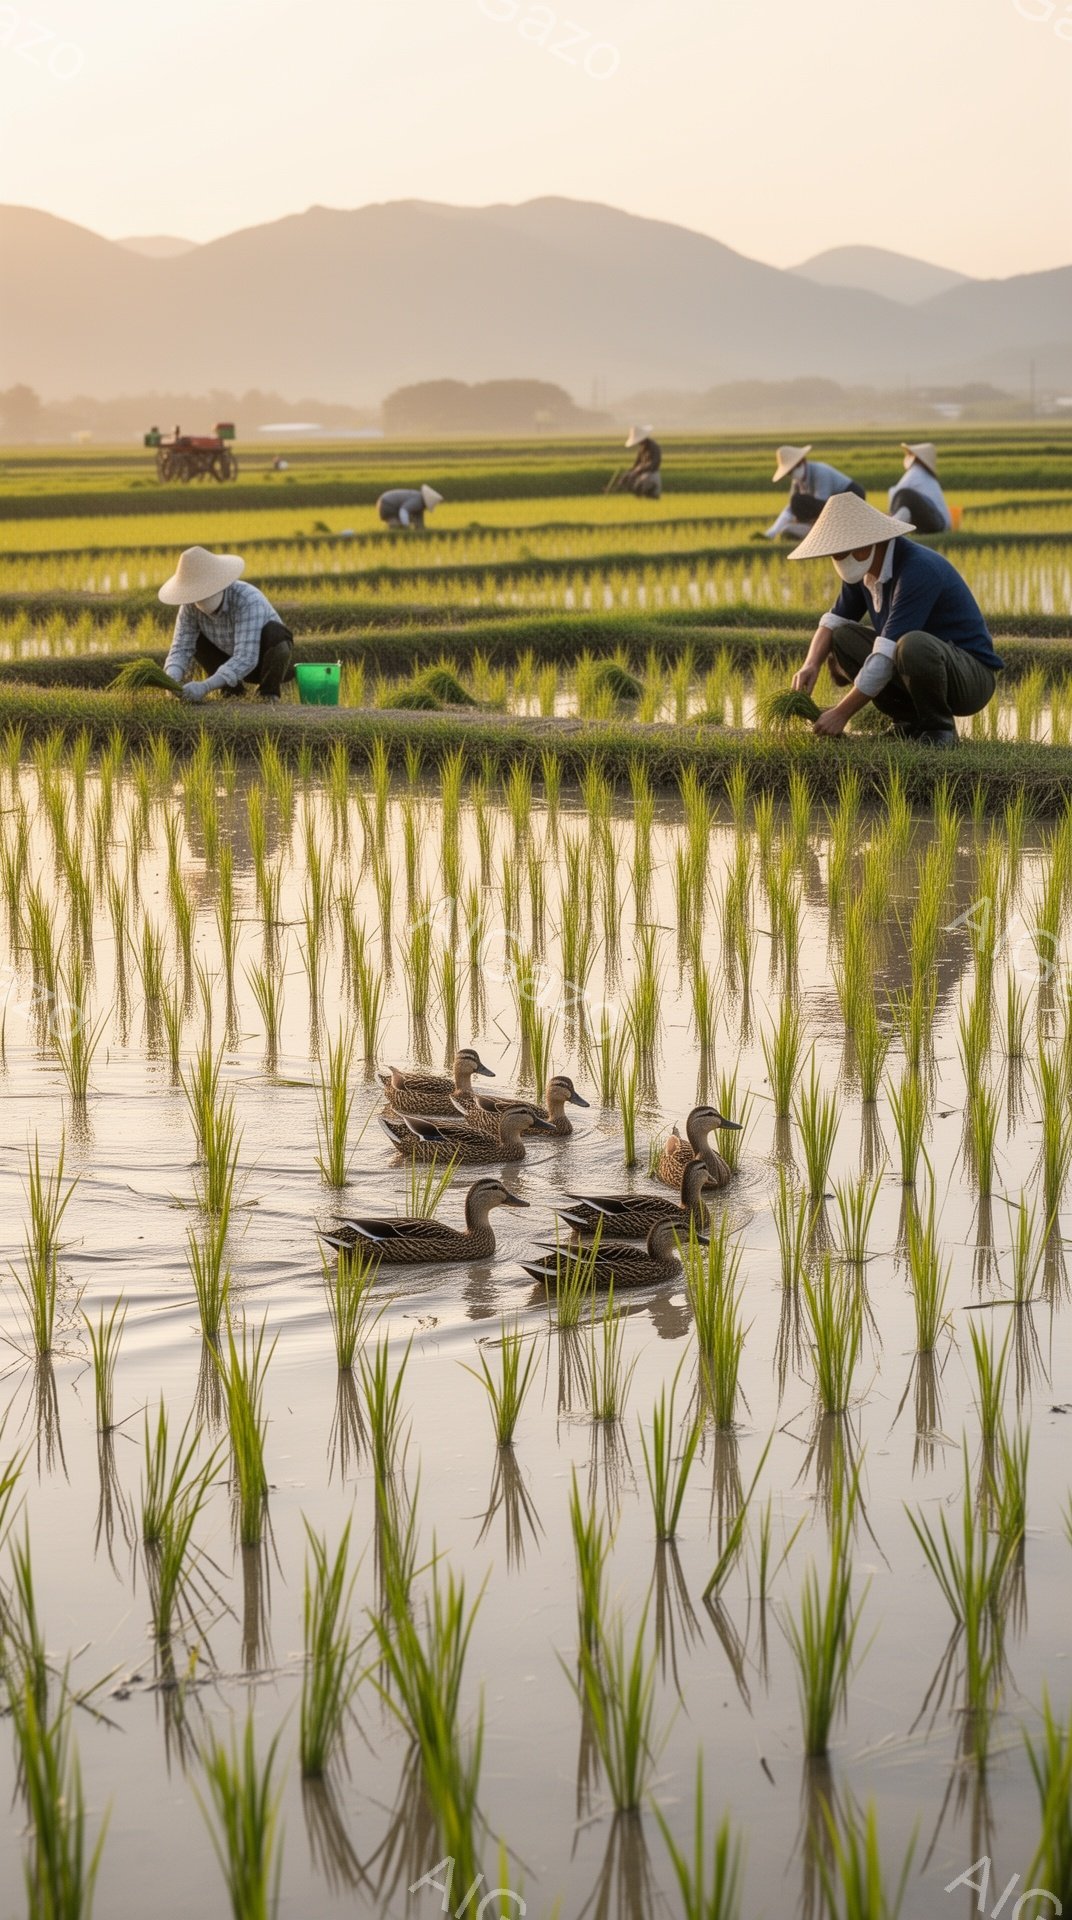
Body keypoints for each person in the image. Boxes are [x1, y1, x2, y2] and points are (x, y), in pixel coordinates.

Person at [788, 494, 1003, 749]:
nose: (837, 558)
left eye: (841, 551)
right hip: (923, 665)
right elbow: (833, 621)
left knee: (912, 645)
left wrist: (841, 713)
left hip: (970, 677)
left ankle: (939, 730)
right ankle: (907, 722)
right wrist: (811, 664)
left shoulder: (917, 568)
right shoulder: (864, 572)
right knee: (843, 637)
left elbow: (885, 655)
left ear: (865, 543)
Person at [159, 547, 295, 703]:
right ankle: (231, 691)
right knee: (195, 639)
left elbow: (246, 657)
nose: (200, 597)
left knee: (277, 634)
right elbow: (180, 648)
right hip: (227, 657)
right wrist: (171, 681)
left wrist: (205, 686)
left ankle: (268, 693)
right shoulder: (189, 607)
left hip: (263, 663)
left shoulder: (248, 599)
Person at [763, 444, 865, 541]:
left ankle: (820, 531)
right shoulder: (797, 481)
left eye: (791, 471)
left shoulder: (820, 472)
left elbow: (824, 505)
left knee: (798, 500)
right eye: (789, 474)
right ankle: (815, 529)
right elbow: (791, 508)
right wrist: (772, 532)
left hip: (851, 498)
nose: (792, 475)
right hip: (830, 505)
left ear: (802, 462)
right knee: (796, 502)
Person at [888, 441, 952, 535]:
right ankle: (895, 527)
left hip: (936, 522)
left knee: (905, 495)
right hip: (940, 523)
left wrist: (889, 516)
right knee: (906, 497)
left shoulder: (916, 472)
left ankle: (893, 528)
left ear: (914, 458)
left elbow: (896, 493)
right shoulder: (928, 477)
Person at [608, 427, 663, 500]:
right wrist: (628, 473)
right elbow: (637, 464)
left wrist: (638, 470)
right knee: (628, 479)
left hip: (651, 475)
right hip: (643, 474)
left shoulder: (654, 447)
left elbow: (653, 464)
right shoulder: (642, 448)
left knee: (643, 487)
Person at [377, 484, 443, 530]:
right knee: (396, 525)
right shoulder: (418, 501)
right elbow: (403, 510)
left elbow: (419, 522)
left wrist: (421, 528)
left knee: (407, 523)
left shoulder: (420, 502)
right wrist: (406, 525)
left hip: (385, 502)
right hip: (387, 504)